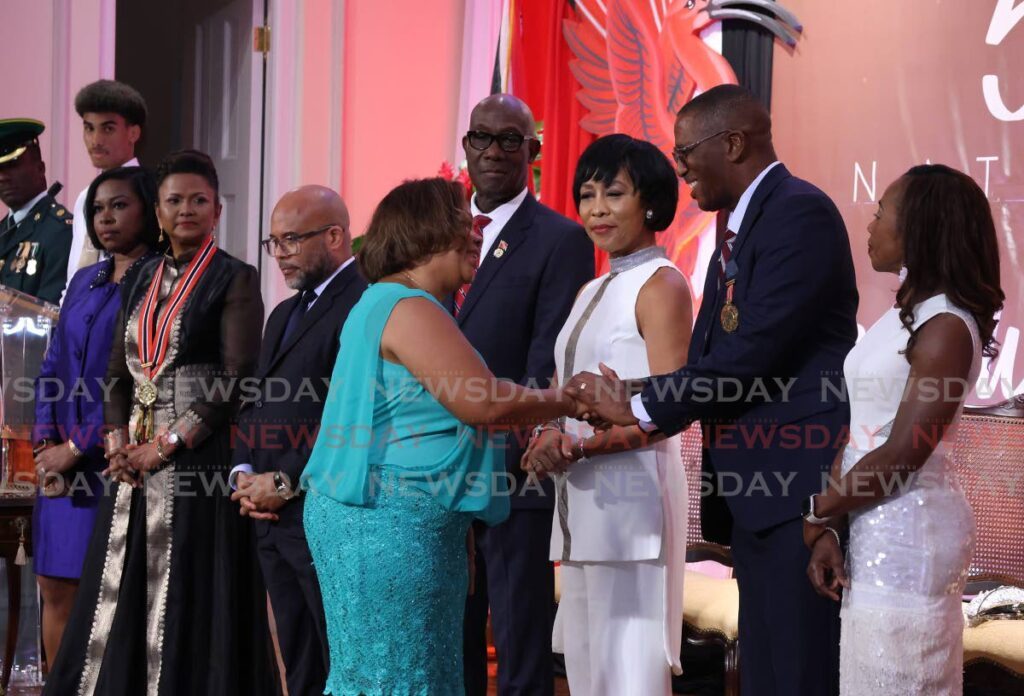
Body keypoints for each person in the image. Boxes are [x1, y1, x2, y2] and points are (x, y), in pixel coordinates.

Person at [565, 84, 859, 695]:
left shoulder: (798, 213)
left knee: (797, 675)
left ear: (733, 142)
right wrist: (632, 400)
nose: (680, 167)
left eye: (686, 151)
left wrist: (638, 406)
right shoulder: (737, 225)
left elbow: (753, 355)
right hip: (753, 497)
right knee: (766, 676)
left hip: (795, 493)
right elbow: (709, 359)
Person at [302, 177, 584, 696]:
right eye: (464, 222)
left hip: (391, 521)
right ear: (426, 233)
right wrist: (570, 399)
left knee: (387, 675)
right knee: (399, 678)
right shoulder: (408, 308)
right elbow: (483, 402)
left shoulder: (386, 302)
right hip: (388, 526)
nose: (477, 233)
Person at [43, 150, 278, 696]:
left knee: (187, 594)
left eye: (199, 200)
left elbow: (236, 378)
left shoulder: (234, 277)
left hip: (199, 460)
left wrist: (166, 445)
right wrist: (118, 443)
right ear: (159, 210)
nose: (187, 210)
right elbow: (115, 370)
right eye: (175, 200)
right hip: (132, 464)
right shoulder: (142, 274)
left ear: (218, 210)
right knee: (115, 590)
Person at [803, 165, 1004, 695]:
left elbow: (901, 455)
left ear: (919, 228)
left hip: (913, 539)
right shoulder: (903, 315)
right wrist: (832, 530)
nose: (869, 226)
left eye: (881, 214)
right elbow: (861, 431)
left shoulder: (946, 327)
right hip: (872, 523)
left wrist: (818, 510)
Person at [522, 134, 691, 695]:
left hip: (631, 501)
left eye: (613, 193)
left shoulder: (661, 284)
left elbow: (671, 405)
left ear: (650, 203)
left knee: (631, 675)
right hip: (580, 499)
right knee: (589, 670)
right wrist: (547, 431)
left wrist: (580, 446)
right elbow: (564, 386)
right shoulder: (592, 287)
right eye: (587, 194)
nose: (596, 208)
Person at [457, 93, 594, 696]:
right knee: (448, 637)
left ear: (533, 151)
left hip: (512, 467)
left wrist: (526, 440)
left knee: (518, 644)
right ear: (465, 146)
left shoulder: (559, 238)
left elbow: (549, 353)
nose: (493, 151)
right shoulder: (438, 226)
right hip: (433, 467)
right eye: (481, 138)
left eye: (510, 139)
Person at [229, 185, 367, 696]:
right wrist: (243, 473)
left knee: (337, 653)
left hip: (321, 509)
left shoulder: (362, 302)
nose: (280, 254)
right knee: (297, 652)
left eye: (291, 240)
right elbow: (255, 400)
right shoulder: (283, 313)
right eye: (274, 242)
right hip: (267, 513)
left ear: (334, 236)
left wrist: (285, 482)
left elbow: (347, 417)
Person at [32, 165, 162, 671]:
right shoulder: (86, 279)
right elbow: (51, 364)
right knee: (54, 587)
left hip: (115, 460)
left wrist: (77, 446)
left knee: (106, 595)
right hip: (60, 465)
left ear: (149, 211)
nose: (105, 218)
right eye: (98, 209)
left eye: (119, 206)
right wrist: (45, 441)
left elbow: (140, 380)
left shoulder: (157, 279)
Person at [68, 80, 146, 287]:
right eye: (89, 129)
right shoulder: (85, 196)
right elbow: (76, 272)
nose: (95, 140)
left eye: (108, 129)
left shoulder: (149, 191)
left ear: (133, 133)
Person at [0, 118, 72, 304]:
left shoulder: (61, 231)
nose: (3, 177)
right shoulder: (3, 231)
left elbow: (51, 314)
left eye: (12, 166)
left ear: (40, 169)